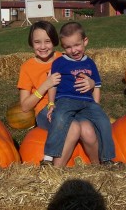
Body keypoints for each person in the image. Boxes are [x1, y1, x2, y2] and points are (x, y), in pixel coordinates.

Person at [17, 21, 100, 167]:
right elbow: (25, 106)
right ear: (31, 43)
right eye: (37, 42)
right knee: (73, 127)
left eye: (47, 41)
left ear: (55, 41)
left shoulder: (65, 58)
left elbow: (89, 75)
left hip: (72, 105)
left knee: (87, 128)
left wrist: (91, 84)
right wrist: (45, 85)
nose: (42, 47)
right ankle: (56, 170)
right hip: (46, 111)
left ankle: (97, 166)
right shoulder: (27, 68)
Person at [45, 22, 115, 165]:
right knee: (59, 118)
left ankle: (107, 158)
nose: (74, 50)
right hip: (66, 100)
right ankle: (49, 156)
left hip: (88, 103)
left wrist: (96, 105)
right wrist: (51, 103)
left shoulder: (90, 63)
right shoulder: (59, 63)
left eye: (77, 45)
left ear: (85, 41)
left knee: (103, 121)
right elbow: (52, 85)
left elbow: (96, 85)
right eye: (68, 47)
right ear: (63, 47)